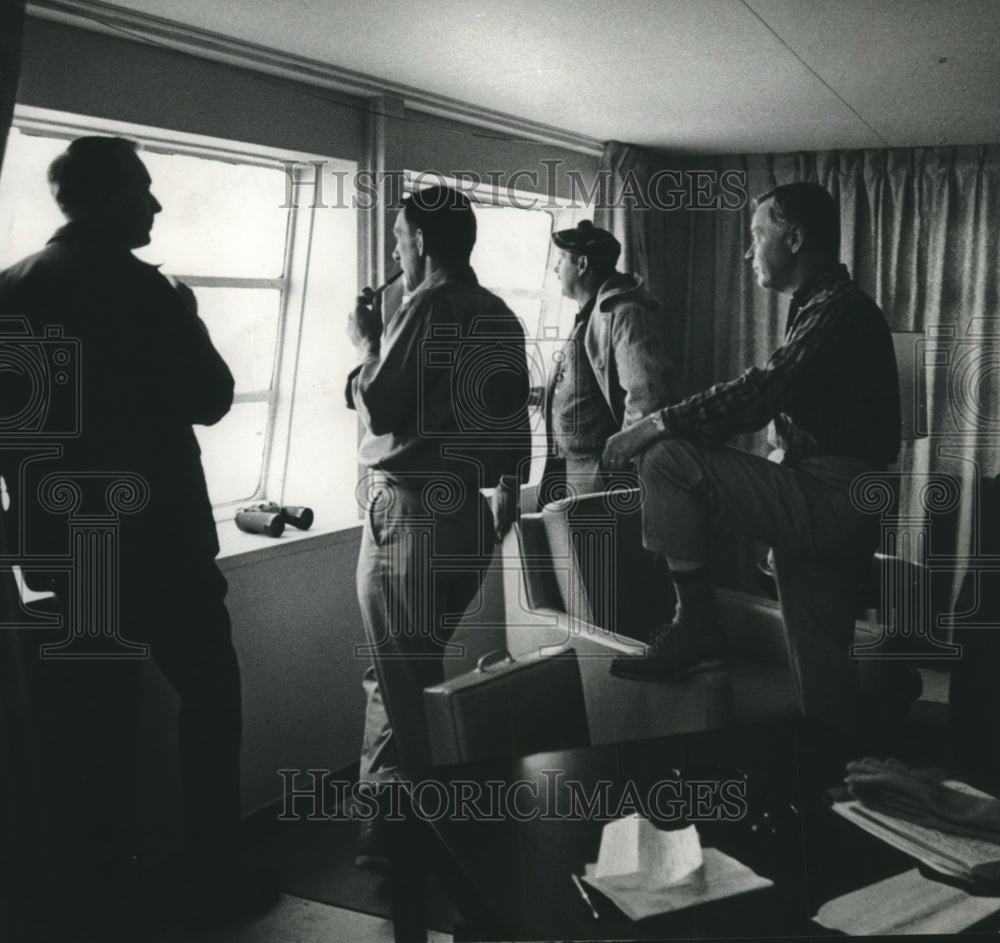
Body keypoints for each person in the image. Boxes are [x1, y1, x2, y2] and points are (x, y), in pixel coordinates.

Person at [0, 136, 246, 929]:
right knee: (210, 695)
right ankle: (213, 868)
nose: (157, 203)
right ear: (107, 197)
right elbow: (210, 397)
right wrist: (190, 316)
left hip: (59, 550)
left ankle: (99, 899)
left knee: (87, 731)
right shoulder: (150, 293)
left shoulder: (9, 291)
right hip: (160, 542)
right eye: (144, 187)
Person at [603, 182, 901, 733]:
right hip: (838, 497)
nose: (748, 251)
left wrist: (653, 423)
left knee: (666, 458)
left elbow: (763, 391)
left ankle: (695, 623)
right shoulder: (825, 307)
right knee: (823, 686)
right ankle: (849, 781)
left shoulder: (838, 310)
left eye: (757, 234)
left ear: (795, 237)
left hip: (835, 498)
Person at [347, 185, 531, 868]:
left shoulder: (426, 306)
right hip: (467, 515)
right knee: (404, 672)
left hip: (411, 513)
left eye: (399, 236)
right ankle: (388, 834)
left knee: (403, 681)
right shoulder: (500, 313)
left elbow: (383, 404)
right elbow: (514, 424)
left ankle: (417, 845)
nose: (396, 248)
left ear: (421, 242)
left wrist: (369, 340)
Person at [537, 219, 674, 507]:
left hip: (597, 475)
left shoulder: (624, 314)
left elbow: (646, 397)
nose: (555, 268)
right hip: (568, 468)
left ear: (583, 264)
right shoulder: (587, 316)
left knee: (593, 552)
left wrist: (616, 464)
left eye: (561, 259)